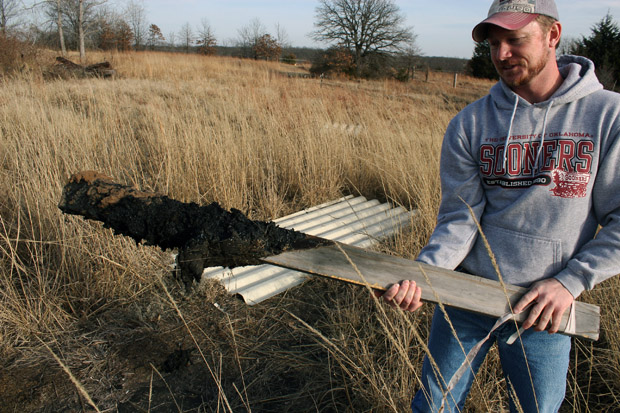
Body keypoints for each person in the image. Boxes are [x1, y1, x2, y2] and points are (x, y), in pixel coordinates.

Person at [378, 0, 620, 411]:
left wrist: (569, 283)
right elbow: (460, 218)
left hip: (543, 309)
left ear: (553, 35)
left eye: (514, 40)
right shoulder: (470, 124)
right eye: (493, 44)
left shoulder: (607, 116)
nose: (501, 55)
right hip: (466, 296)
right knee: (434, 405)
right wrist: (426, 274)